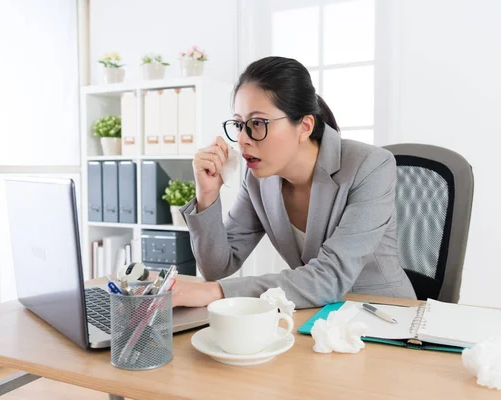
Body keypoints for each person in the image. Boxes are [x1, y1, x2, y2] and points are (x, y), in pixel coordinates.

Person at [172, 56, 416, 309]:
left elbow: (329, 278)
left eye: (257, 123)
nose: (242, 139)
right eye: (238, 124)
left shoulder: (370, 166)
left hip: (384, 317)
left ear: (304, 126)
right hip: (314, 315)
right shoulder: (258, 179)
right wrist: (207, 196)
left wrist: (216, 293)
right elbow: (217, 267)